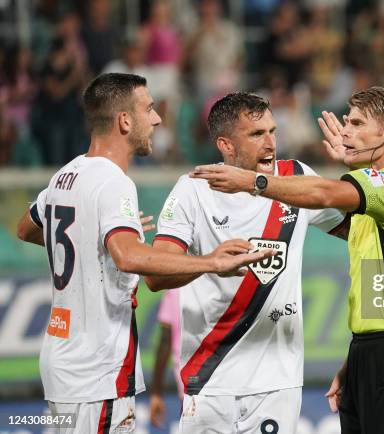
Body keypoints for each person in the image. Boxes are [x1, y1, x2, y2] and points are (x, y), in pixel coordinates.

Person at [15, 73, 272, 433]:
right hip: (97, 371)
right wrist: (211, 261)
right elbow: (128, 256)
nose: (157, 119)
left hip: (62, 361)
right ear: (124, 121)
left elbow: (25, 228)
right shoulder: (114, 182)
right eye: (148, 109)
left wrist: (97, 235)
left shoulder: (66, 175)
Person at [190, 86, 384, 434]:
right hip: (373, 349)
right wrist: (357, 358)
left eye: (357, 123)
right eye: (346, 122)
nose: (345, 131)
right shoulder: (370, 195)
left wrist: (253, 181)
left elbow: (321, 193)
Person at [143, 92, 346, 434]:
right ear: (225, 145)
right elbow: (155, 276)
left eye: (272, 130)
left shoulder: (294, 178)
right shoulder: (194, 189)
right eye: (256, 134)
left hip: (276, 383)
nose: (270, 143)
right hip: (208, 379)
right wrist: (209, 263)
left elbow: (358, 231)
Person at [149, 288, 182, 429]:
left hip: (192, 387)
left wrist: (156, 393)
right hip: (229, 382)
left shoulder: (176, 287)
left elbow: (165, 341)